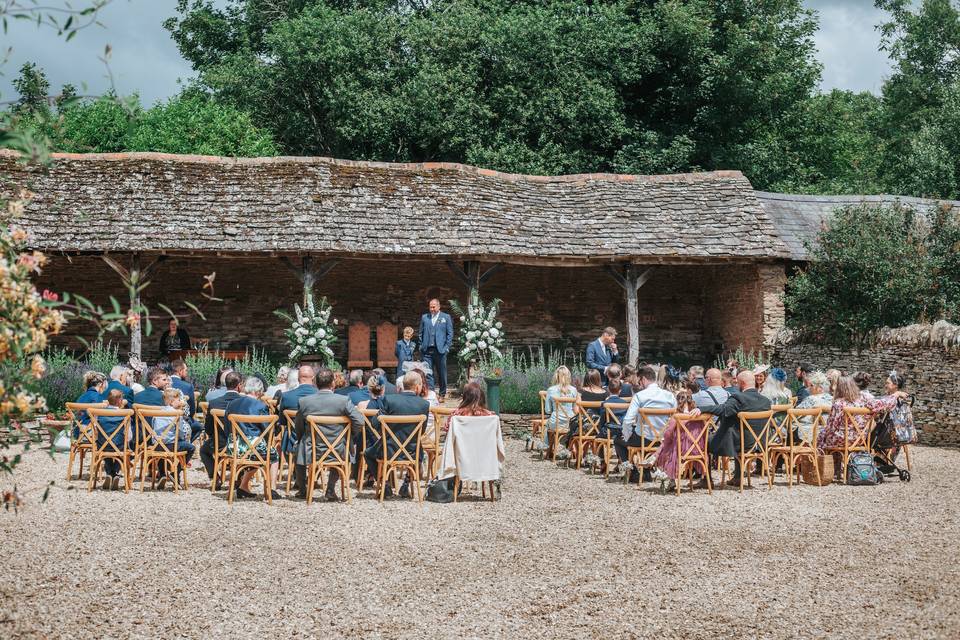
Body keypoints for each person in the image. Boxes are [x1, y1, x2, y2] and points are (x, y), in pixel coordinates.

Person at [293, 368, 365, 501]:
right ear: (333, 383)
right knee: (342, 449)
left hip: (311, 449)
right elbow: (360, 421)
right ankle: (330, 489)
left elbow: (298, 427)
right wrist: (349, 436)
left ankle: (303, 490)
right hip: (339, 449)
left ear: (315, 383)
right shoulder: (343, 401)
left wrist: (302, 439)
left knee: (297, 446)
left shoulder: (305, 402)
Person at [363, 371, 431, 497]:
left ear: (403, 385)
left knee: (368, 453)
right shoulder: (424, 404)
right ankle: (406, 484)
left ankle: (385, 484)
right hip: (412, 451)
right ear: (417, 386)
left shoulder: (388, 399)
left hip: (388, 449)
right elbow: (421, 431)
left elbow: (375, 424)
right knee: (419, 450)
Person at [699, 370, 772, 485]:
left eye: (737, 383)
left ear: (742, 383)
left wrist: (701, 409)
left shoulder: (738, 397)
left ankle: (706, 480)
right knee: (741, 431)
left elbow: (724, 409)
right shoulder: (766, 401)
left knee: (703, 441)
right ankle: (737, 477)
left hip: (741, 444)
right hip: (760, 445)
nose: (736, 385)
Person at [817, 376, 904, 461]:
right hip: (860, 439)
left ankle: (824, 467)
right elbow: (883, 403)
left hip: (841, 440)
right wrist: (896, 395)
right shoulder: (864, 399)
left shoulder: (838, 403)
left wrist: (823, 432)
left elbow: (832, 426)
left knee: (822, 435)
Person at [614, 365, 676, 481]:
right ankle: (646, 470)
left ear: (643, 379)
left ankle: (633, 472)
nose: (639, 384)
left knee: (618, 440)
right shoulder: (670, 396)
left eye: (639, 381)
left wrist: (626, 436)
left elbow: (628, 420)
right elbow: (675, 418)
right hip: (663, 441)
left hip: (643, 439)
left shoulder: (639, 396)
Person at [224, 376, 280, 500]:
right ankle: (272, 490)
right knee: (272, 456)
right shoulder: (260, 406)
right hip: (254, 447)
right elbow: (268, 430)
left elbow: (227, 427)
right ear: (259, 391)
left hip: (234, 447)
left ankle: (243, 487)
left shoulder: (231, 404)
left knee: (257, 452)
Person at [655, 387, 707, 489]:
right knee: (670, 443)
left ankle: (671, 479)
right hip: (698, 449)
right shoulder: (699, 416)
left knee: (668, 445)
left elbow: (668, 434)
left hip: (681, 450)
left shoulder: (677, 416)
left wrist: (666, 441)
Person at [199, 371, 243, 483]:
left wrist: (216, 438)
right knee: (245, 451)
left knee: (203, 450)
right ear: (239, 386)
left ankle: (215, 477)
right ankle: (239, 479)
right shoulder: (245, 403)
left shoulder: (214, 403)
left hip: (220, 443)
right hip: (241, 444)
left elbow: (208, 428)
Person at [151, 387, 196, 489]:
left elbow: (154, 428)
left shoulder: (157, 412)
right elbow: (180, 433)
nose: (180, 402)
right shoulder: (177, 414)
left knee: (163, 450)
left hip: (156, 445)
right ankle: (176, 473)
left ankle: (162, 474)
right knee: (191, 447)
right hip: (171, 445)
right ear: (171, 402)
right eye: (178, 400)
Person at [418, 298, 453, 399]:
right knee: (428, 373)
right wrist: (421, 345)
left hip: (440, 350)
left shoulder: (446, 317)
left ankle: (442, 394)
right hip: (427, 351)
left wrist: (446, 347)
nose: (432, 309)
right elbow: (420, 333)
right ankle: (431, 394)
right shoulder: (425, 317)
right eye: (430, 307)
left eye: (433, 307)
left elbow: (450, 334)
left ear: (439, 306)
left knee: (441, 372)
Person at [94, 389, 129, 490]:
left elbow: (95, 430)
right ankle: (116, 472)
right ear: (119, 401)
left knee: (106, 445)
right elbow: (128, 435)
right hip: (119, 445)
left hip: (102, 445)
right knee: (123, 447)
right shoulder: (124, 414)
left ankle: (110, 473)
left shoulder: (99, 413)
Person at [542, 365, 578, 452]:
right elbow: (575, 408)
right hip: (570, 423)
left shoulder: (551, 390)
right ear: (568, 376)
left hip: (556, 422)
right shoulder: (574, 390)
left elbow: (548, 410)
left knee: (547, 425)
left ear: (556, 376)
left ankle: (548, 448)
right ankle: (569, 447)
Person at [565, 370, 605, 446]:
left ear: (586, 378)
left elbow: (576, 411)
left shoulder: (581, 392)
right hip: (600, 428)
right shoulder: (605, 392)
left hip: (584, 428)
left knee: (576, 424)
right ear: (598, 379)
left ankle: (578, 454)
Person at [793, 370, 833, 444]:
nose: (809, 388)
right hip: (827, 431)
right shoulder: (831, 399)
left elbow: (794, 414)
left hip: (810, 431)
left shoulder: (811, 399)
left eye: (811, 385)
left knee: (790, 428)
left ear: (818, 387)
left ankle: (792, 453)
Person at [74, 371, 108, 436]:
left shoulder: (81, 397)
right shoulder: (98, 397)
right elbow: (102, 419)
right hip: (91, 434)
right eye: (105, 385)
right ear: (100, 384)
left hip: (77, 433)